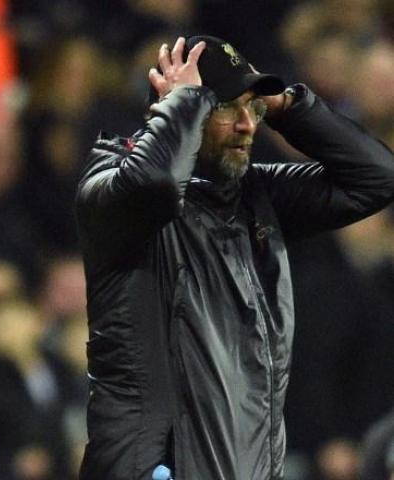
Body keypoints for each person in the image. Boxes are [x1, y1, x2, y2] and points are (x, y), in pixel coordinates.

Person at [74, 35, 394, 480]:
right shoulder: (109, 187)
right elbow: (157, 186)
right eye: (226, 107)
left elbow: (375, 179)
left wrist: (286, 105)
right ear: (173, 111)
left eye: (254, 108)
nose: (248, 124)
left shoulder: (253, 197)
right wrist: (185, 104)